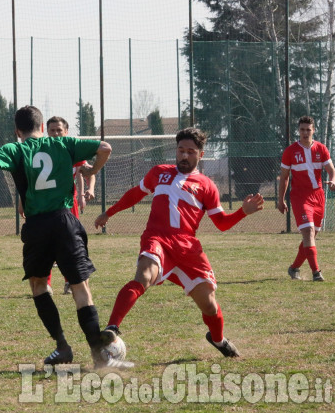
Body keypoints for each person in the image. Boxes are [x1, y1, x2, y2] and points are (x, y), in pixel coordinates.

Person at [0, 106, 133, 369]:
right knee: (80, 287)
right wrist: (91, 172)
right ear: (43, 127)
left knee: (39, 285)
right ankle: (98, 354)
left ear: (18, 131)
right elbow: (105, 148)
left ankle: (62, 346)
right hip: (65, 221)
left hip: (36, 225)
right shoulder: (63, 143)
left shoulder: (17, 149)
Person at [95, 128, 264, 358]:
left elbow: (221, 223)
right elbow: (135, 194)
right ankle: (112, 328)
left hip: (187, 248)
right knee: (143, 276)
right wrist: (109, 212)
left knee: (210, 306)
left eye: (191, 152)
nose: (184, 156)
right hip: (157, 238)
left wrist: (243, 212)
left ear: (200, 155)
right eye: (181, 150)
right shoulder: (159, 172)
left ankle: (218, 340)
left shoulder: (207, 185)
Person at [278, 116, 335, 281]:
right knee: (308, 232)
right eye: (302, 129)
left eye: (308, 129)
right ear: (299, 130)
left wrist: (333, 181)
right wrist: (280, 199)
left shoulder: (321, 149)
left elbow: (332, 171)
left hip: (318, 196)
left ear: (313, 130)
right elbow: (284, 177)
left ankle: (294, 267)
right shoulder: (290, 151)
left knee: (311, 236)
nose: (305, 133)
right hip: (300, 197)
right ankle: (316, 272)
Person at [47, 116, 96, 295]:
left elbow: (89, 172)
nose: (56, 134)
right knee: (47, 244)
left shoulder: (72, 152)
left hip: (69, 205)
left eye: (59, 130)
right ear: (47, 132)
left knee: (70, 245)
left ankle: (70, 282)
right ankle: (46, 283)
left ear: (66, 132)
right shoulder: (41, 151)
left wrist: (89, 189)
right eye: (52, 130)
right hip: (46, 204)